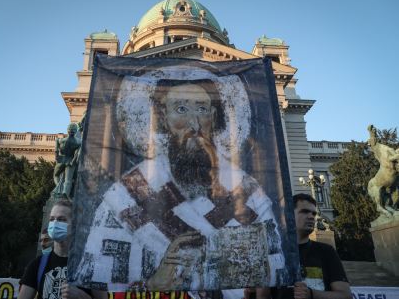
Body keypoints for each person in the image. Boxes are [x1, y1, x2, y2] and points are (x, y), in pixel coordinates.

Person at [73, 79, 285, 291]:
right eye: (181, 109)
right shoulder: (125, 196)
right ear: (163, 118)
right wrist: (154, 283)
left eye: (202, 109)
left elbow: (275, 269)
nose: (194, 124)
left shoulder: (247, 191)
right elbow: (95, 282)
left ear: (212, 117)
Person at [256, 193, 352, 299]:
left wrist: (311, 294)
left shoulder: (326, 251)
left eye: (314, 213)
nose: (311, 216)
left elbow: (345, 295)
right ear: (289, 215)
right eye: (305, 212)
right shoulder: (272, 252)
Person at [18, 200, 107, 299]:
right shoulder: (37, 265)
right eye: (52, 219)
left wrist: (81, 296)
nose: (55, 223)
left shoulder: (91, 267)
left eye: (61, 219)